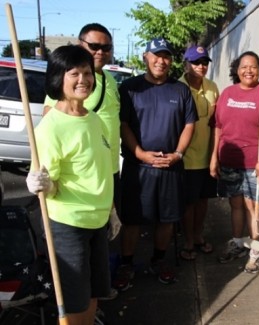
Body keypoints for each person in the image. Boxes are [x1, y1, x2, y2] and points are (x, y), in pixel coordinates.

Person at [26, 45, 114, 324]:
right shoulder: (51, 127)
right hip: (69, 224)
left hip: (98, 221)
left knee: (93, 294)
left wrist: (111, 210)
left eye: (87, 73)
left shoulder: (95, 119)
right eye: (74, 73)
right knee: (73, 303)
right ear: (58, 79)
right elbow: (48, 184)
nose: (83, 80)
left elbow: (99, 169)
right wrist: (41, 184)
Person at [114, 37, 197, 289]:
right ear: (145, 57)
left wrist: (178, 153)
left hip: (171, 167)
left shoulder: (180, 90)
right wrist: (139, 153)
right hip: (138, 168)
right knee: (132, 220)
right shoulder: (129, 88)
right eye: (156, 55)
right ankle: (127, 264)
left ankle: (159, 260)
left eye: (166, 56)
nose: (161, 61)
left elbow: (189, 124)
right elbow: (123, 124)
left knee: (167, 218)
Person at [210, 51, 259, 274]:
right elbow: (218, 127)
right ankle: (237, 241)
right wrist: (214, 156)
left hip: (255, 162)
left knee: (252, 207)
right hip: (230, 160)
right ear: (237, 70)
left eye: (253, 66)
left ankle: (255, 251)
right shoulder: (227, 93)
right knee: (235, 204)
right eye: (244, 66)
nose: (248, 70)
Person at [178, 45, 219, 260]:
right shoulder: (177, 87)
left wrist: (215, 154)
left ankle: (198, 235)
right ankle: (188, 241)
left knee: (203, 200)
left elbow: (216, 124)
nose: (201, 67)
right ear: (186, 64)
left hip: (207, 155)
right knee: (188, 201)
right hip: (186, 157)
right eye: (196, 62)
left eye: (204, 62)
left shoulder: (212, 87)